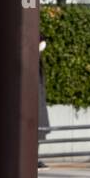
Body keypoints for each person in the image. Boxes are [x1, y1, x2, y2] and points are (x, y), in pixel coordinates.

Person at [38, 36, 50, 169]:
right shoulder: (33, 54)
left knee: (38, 131)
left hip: (38, 98)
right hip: (34, 100)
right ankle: (32, 158)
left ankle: (35, 157)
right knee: (36, 129)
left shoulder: (38, 56)